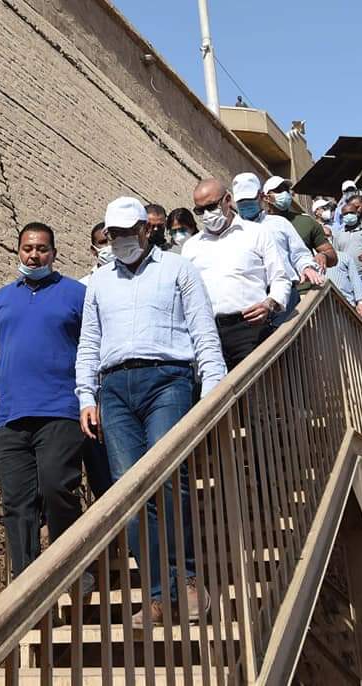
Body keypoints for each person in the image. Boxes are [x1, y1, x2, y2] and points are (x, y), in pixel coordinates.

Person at [76, 196, 226, 626]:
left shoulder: (179, 269)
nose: (121, 240)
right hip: (114, 388)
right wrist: (86, 396)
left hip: (168, 379)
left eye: (128, 232)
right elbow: (89, 342)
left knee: (169, 475)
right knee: (130, 488)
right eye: (114, 235)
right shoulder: (98, 282)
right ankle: (158, 593)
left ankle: (188, 580)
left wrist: (212, 388)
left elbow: (203, 330)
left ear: (146, 230)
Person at [0, 223, 87, 580]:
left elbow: (95, 343)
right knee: (16, 503)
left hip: (61, 409)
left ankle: (72, 567)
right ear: (18, 251)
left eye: (42, 249)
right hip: (11, 416)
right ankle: (26, 581)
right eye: (28, 248)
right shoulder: (1, 299)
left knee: (57, 486)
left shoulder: (76, 293)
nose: (34, 255)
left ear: (54, 253)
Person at [183, 177, 292, 370]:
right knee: (216, 388)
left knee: (258, 386)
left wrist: (269, 304)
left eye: (211, 207)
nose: (207, 214)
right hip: (208, 335)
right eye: (200, 210)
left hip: (250, 330)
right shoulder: (191, 247)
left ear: (227, 199)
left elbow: (280, 278)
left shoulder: (257, 233)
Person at [231, 173, 323, 331]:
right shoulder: (231, 231)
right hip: (251, 300)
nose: (246, 205)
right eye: (242, 202)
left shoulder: (280, 223)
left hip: (286, 295)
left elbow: (299, 253)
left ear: (261, 197)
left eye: (250, 200)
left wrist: (306, 266)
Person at [262, 176, 338, 280]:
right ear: (266, 197)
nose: (284, 193)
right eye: (279, 190)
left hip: (306, 286)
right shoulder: (259, 225)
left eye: (286, 190)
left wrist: (324, 256)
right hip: (273, 287)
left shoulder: (306, 222)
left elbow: (332, 256)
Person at [327, 252, 362, 318]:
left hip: (348, 305)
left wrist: (360, 303)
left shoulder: (344, 257)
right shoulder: (311, 260)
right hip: (325, 307)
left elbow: (355, 279)